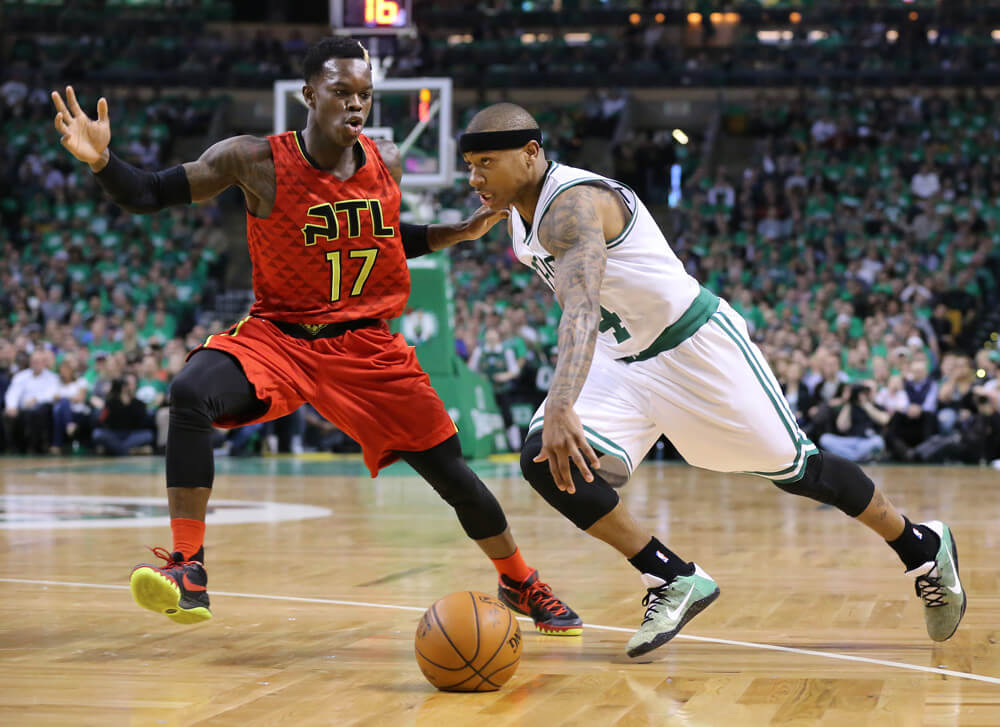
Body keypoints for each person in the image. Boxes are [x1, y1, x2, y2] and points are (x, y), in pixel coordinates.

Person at [51, 39, 581, 635]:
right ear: (309, 95)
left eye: (365, 95)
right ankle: (188, 569)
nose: (356, 105)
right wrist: (101, 161)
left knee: (453, 475)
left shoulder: (385, 162)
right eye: (341, 93)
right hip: (279, 335)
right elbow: (147, 193)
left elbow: (379, 236)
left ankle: (520, 580)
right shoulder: (252, 160)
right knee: (191, 390)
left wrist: (452, 233)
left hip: (364, 347)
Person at [459, 102, 965, 658]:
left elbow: (578, 309)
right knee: (547, 460)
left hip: (693, 349)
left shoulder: (574, 206)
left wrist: (560, 401)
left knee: (802, 471)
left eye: (486, 162)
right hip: (619, 359)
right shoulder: (516, 211)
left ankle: (920, 546)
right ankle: (670, 577)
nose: (474, 177)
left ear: (531, 154)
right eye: (469, 165)